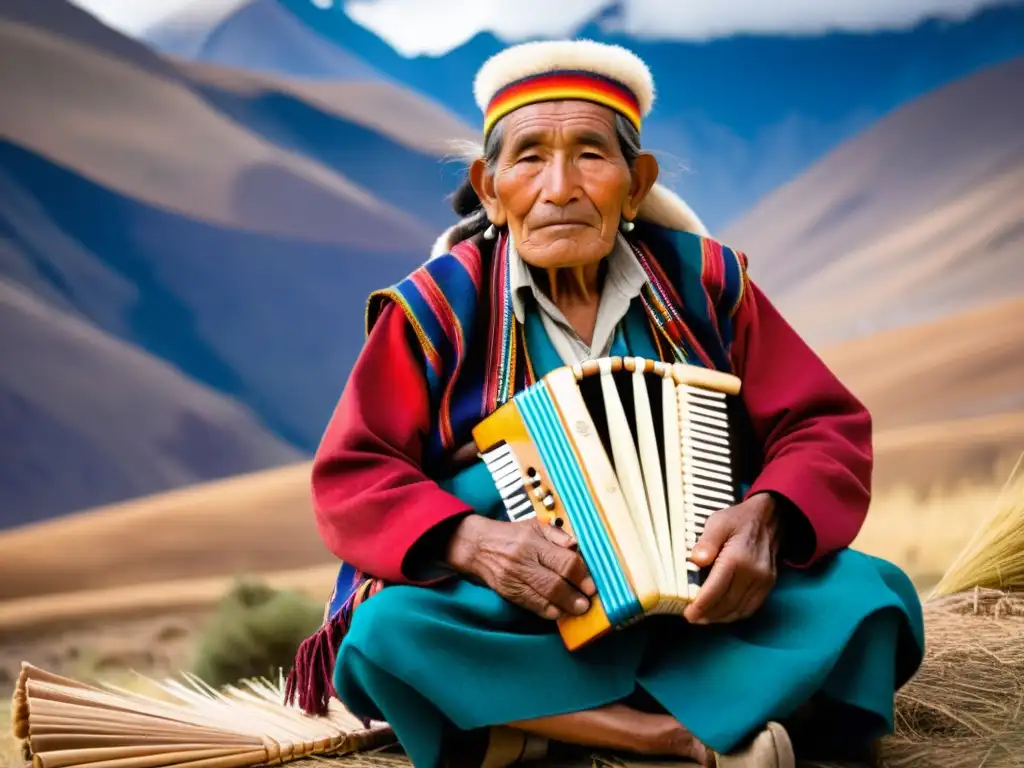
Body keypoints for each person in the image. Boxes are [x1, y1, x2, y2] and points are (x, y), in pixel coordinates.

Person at [286, 39, 925, 768]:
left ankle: (527, 731)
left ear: (634, 181)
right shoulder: (437, 311)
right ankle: (674, 737)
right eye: (528, 158)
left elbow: (821, 426)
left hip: (705, 602)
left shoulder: (706, 286)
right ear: (489, 188)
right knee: (387, 636)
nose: (560, 186)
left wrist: (766, 519)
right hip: (527, 613)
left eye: (591, 154)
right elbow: (355, 474)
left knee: (872, 598)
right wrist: (474, 543)